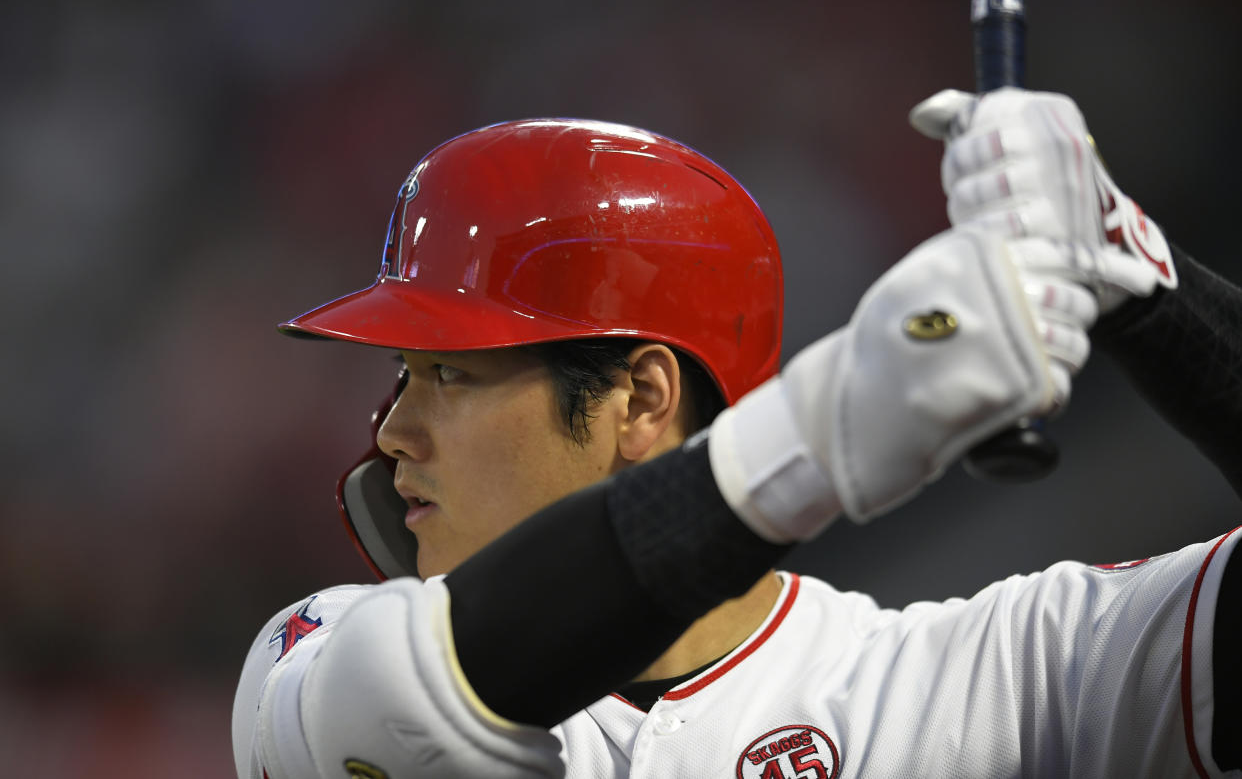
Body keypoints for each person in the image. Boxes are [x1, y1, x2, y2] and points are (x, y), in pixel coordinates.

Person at [232, 90, 1241, 778]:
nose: (393, 429)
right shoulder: (316, 655)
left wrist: (1146, 285)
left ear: (641, 402)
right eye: (403, 374)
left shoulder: (993, 682)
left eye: (449, 373)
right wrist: (828, 428)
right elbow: (404, 700)